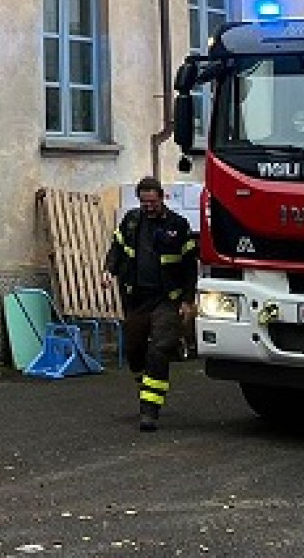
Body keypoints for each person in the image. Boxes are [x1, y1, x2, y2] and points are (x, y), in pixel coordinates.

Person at [105, 175, 198, 432]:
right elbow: (117, 248)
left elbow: (190, 266)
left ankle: (150, 411)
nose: (148, 207)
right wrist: (108, 270)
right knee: (135, 350)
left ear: (162, 198)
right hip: (137, 298)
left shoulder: (178, 226)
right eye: (144, 202)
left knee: (159, 349)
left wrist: (188, 301)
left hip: (168, 299)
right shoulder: (132, 222)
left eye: (152, 202)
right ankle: (146, 386)